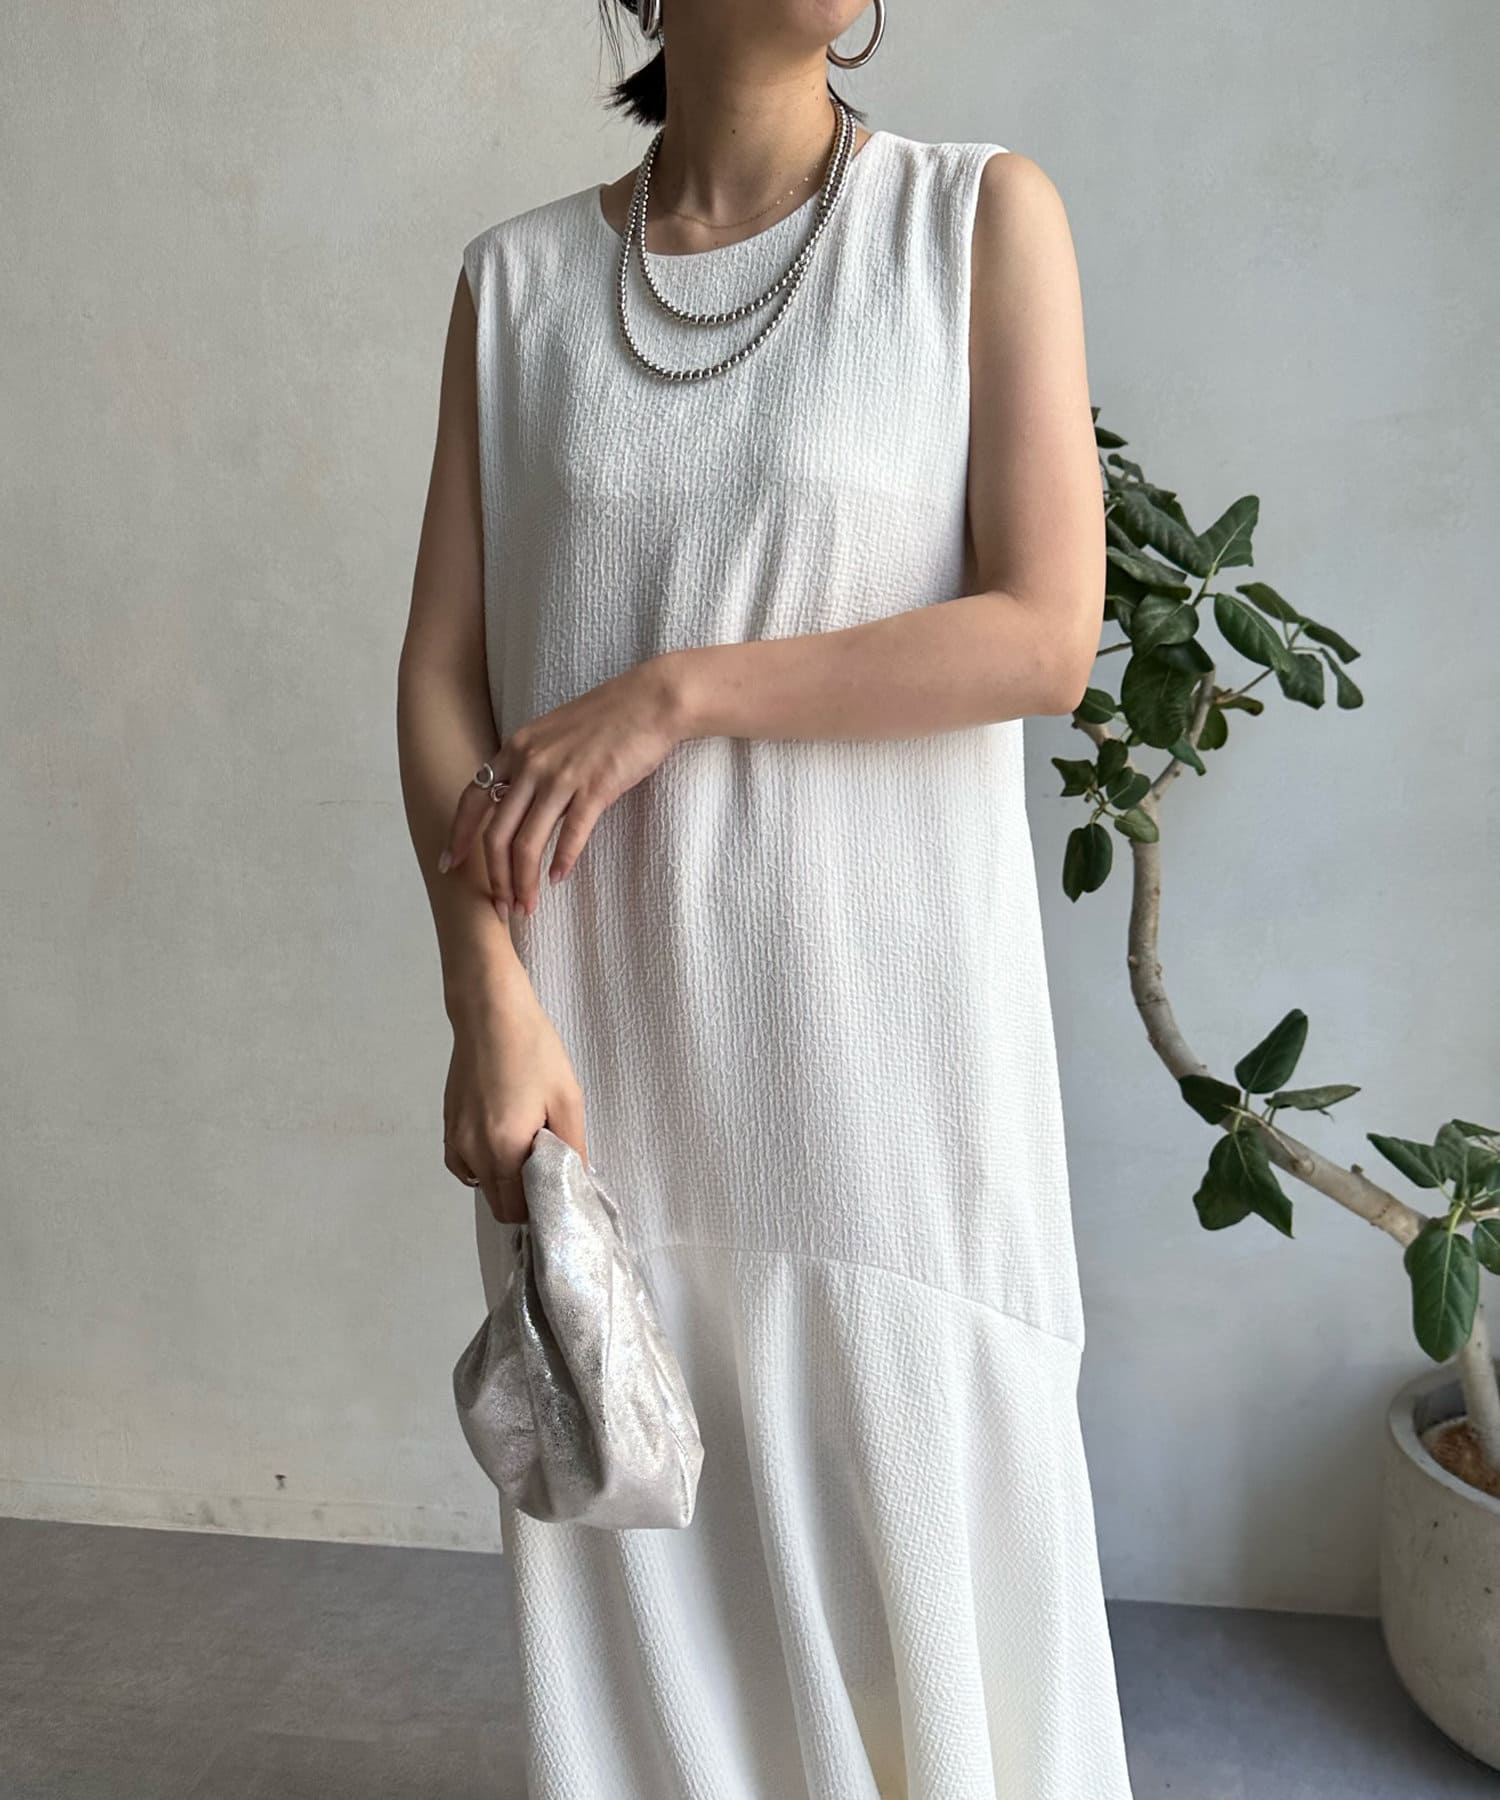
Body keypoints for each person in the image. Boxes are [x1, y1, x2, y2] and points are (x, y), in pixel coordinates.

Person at [396, 1, 1135, 1793]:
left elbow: (1046, 632)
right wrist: (483, 989)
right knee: (648, 1605)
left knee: (931, 1580)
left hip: (889, 1075)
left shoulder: (975, 220)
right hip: (609, 1068)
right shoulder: (516, 290)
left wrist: (678, 691)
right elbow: (439, 680)